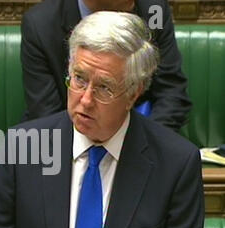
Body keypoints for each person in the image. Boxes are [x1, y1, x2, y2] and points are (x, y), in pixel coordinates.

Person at [0, 11, 204, 228]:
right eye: (79, 79)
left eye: (104, 87)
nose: (85, 100)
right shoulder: (23, 148)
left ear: (134, 92)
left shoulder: (176, 165)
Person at [20, 0, 192, 132]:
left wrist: (144, 146)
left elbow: (172, 93)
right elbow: (45, 111)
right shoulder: (40, 24)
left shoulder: (154, 11)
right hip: (69, 139)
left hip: (142, 132)